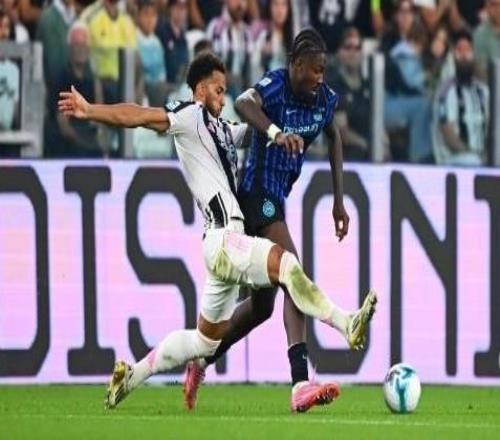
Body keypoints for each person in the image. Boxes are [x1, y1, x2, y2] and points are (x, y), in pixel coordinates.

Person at [58, 51, 377, 410]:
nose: (223, 99)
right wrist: (91, 110)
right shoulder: (188, 116)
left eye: (225, 91)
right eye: (218, 90)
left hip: (222, 246)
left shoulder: (220, 129)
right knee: (288, 265)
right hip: (225, 239)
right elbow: (139, 116)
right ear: (199, 90)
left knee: (204, 343)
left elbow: (251, 131)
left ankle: (131, 376)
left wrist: (284, 127)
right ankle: (345, 323)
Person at [183, 29, 375, 413]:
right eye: (314, 70)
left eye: (323, 70)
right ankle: (300, 382)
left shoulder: (323, 98)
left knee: (261, 309)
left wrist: (339, 202)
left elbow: (334, 137)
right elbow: (242, 102)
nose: (320, 77)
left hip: (277, 200)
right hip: (256, 195)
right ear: (296, 65)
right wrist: (274, 131)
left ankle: (200, 359)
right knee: (293, 272)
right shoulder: (276, 86)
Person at [432, 30, 489, 166]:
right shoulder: (446, 91)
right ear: (453, 55)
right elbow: (448, 134)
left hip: (482, 157)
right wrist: (473, 154)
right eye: (459, 50)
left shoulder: (483, 90)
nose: (464, 55)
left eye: (468, 50)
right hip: (454, 158)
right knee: (472, 160)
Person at [474, 0, 500, 81]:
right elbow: (481, 71)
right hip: (491, 83)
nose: (498, 9)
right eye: (493, 5)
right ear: (486, 7)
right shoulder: (479, 34)